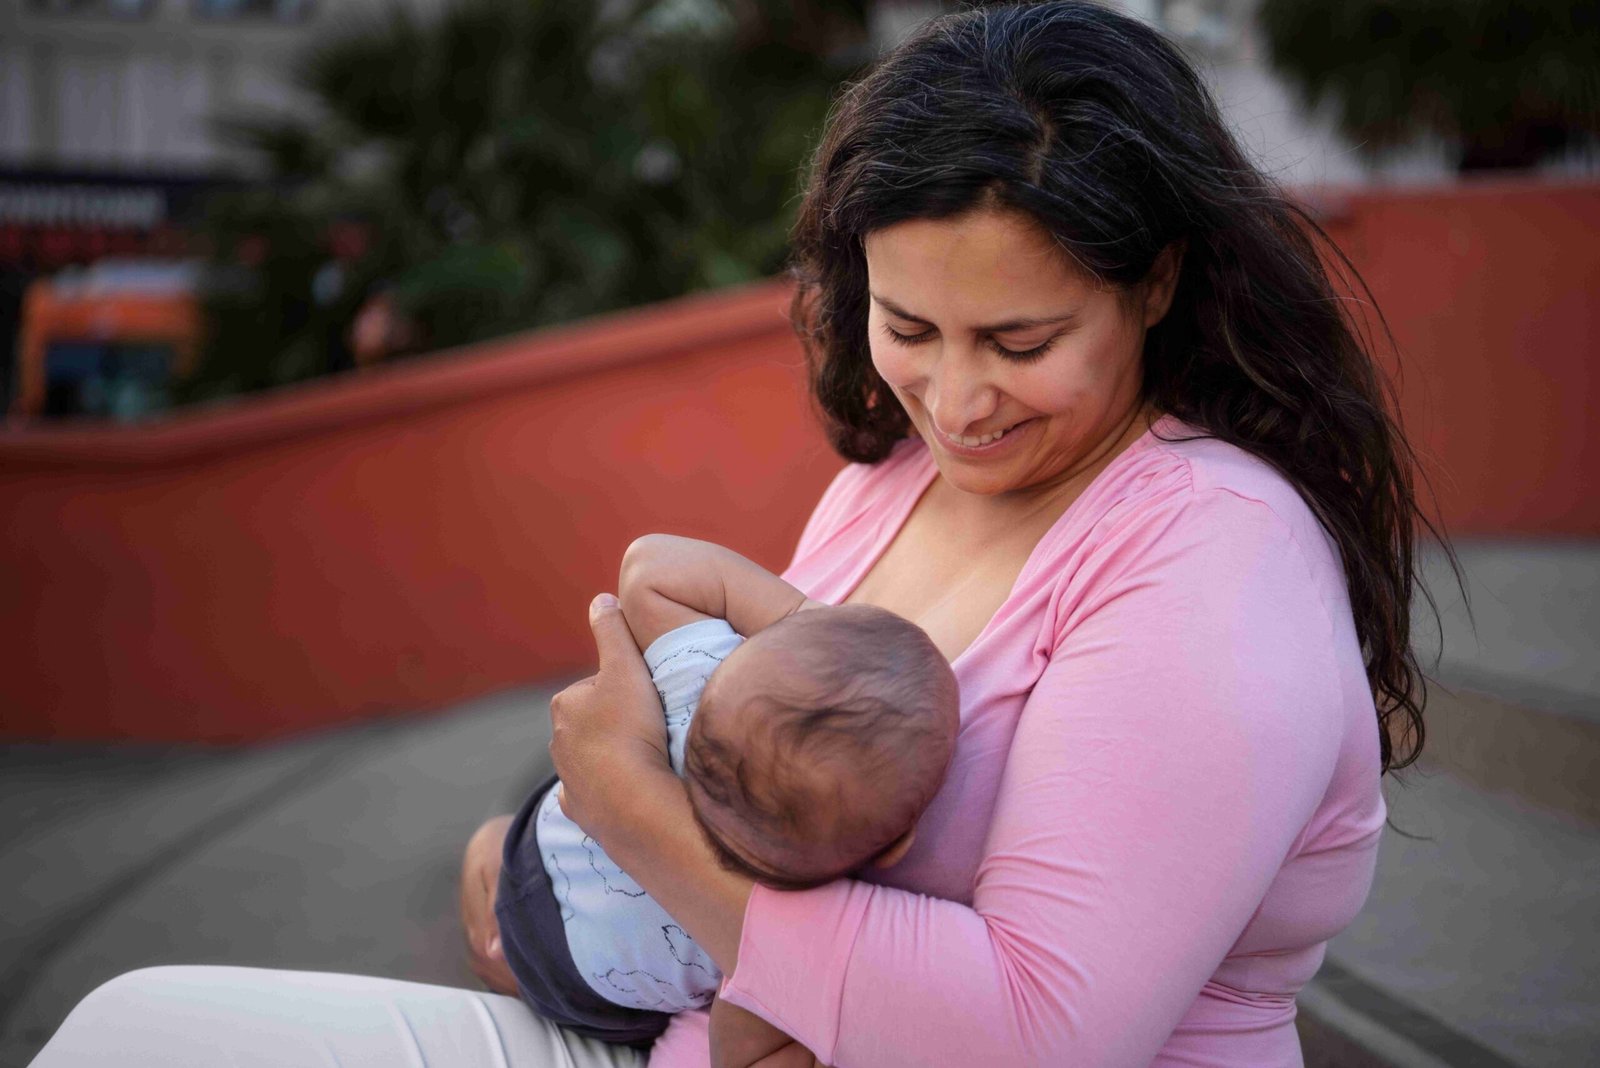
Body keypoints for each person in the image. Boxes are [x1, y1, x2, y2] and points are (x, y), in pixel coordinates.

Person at [30, 4, 1449, 1066]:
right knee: (135, 1028)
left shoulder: (1210, 550)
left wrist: (644, 838)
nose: (955, 398)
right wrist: (554, 861)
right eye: (911, 329)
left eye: (1020, 339)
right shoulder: (894, 482)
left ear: (1154, 286)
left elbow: (1043, 1029)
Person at [488, 534, 958, 1052]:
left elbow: (651, 565)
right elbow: (743, 1054)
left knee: (486, 861)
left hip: (545, 840)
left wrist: (801, 614)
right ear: (896, 845)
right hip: (582, 989)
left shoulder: (699, 673)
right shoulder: (781, 935)